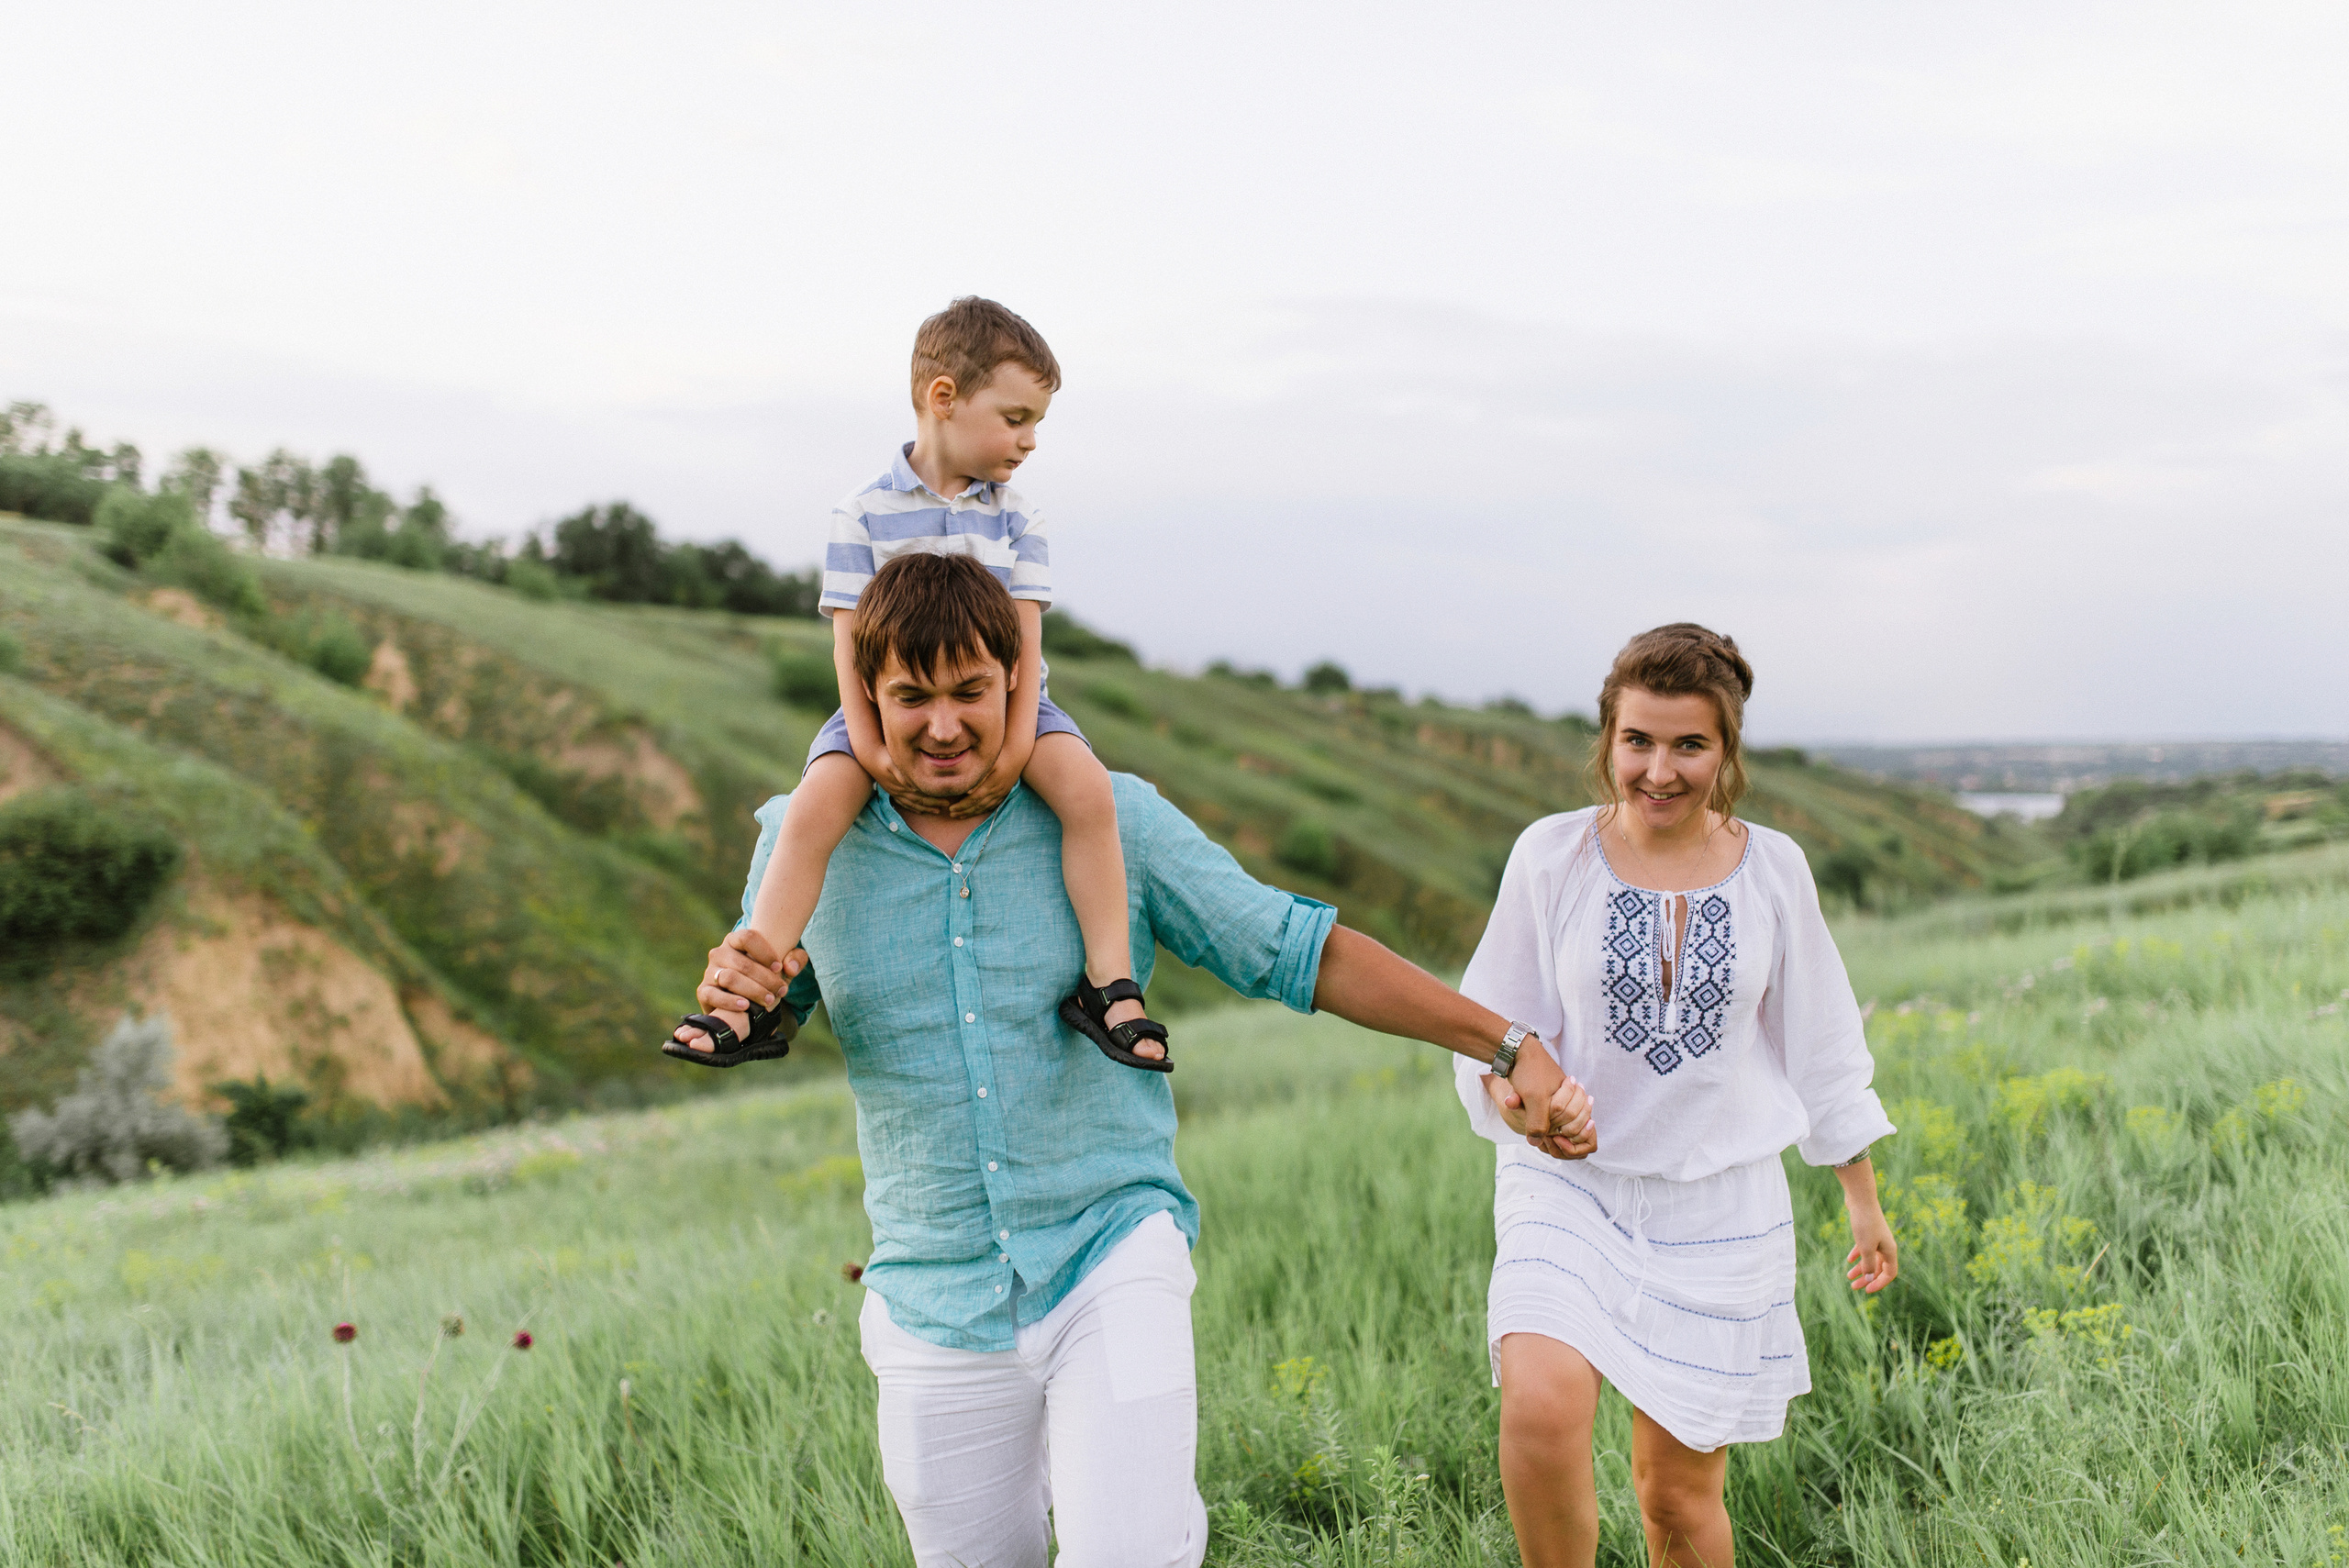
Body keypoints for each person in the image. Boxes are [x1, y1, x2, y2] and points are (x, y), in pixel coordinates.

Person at [676, 551, 1596, 1568]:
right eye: (910, 697)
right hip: (931, 1295)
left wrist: (1506, 1041)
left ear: (1018, 681)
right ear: (865, 696)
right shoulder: (805, 840)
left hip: (1109, 1251)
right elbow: (771, 1002)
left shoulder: (1110, 817)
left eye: (971, 691)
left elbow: (1293, 948)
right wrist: (741, 997)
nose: (943, 724)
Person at [1458, 623, 1898, 1568]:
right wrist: (1526, 1107)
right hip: (1567, 1187)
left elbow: (1820, 1043)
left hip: (1721, 1204)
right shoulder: (1551, 857)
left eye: (1688, 744)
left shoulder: (1774, 869)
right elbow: (1492, 1027)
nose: (1658, 769)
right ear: (1607, 740)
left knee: (1676, 1501)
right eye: (1637, 741)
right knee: (1539, 1404)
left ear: (1727, 749)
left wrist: (1861, 1200)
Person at [673, 296, 1168, 1072]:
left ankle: (1110, 983)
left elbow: (1025, 647)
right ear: (944, 398)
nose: (1030, 441)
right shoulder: (862, 513)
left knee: (1089, 793)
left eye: (1037, 422)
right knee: (807, 816)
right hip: (881, 711)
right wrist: (870, 750)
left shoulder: (1018, 518)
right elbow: (849, 651)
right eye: (1015, 417)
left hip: (1008, 706)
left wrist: (1012, 750)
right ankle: (749, 999)